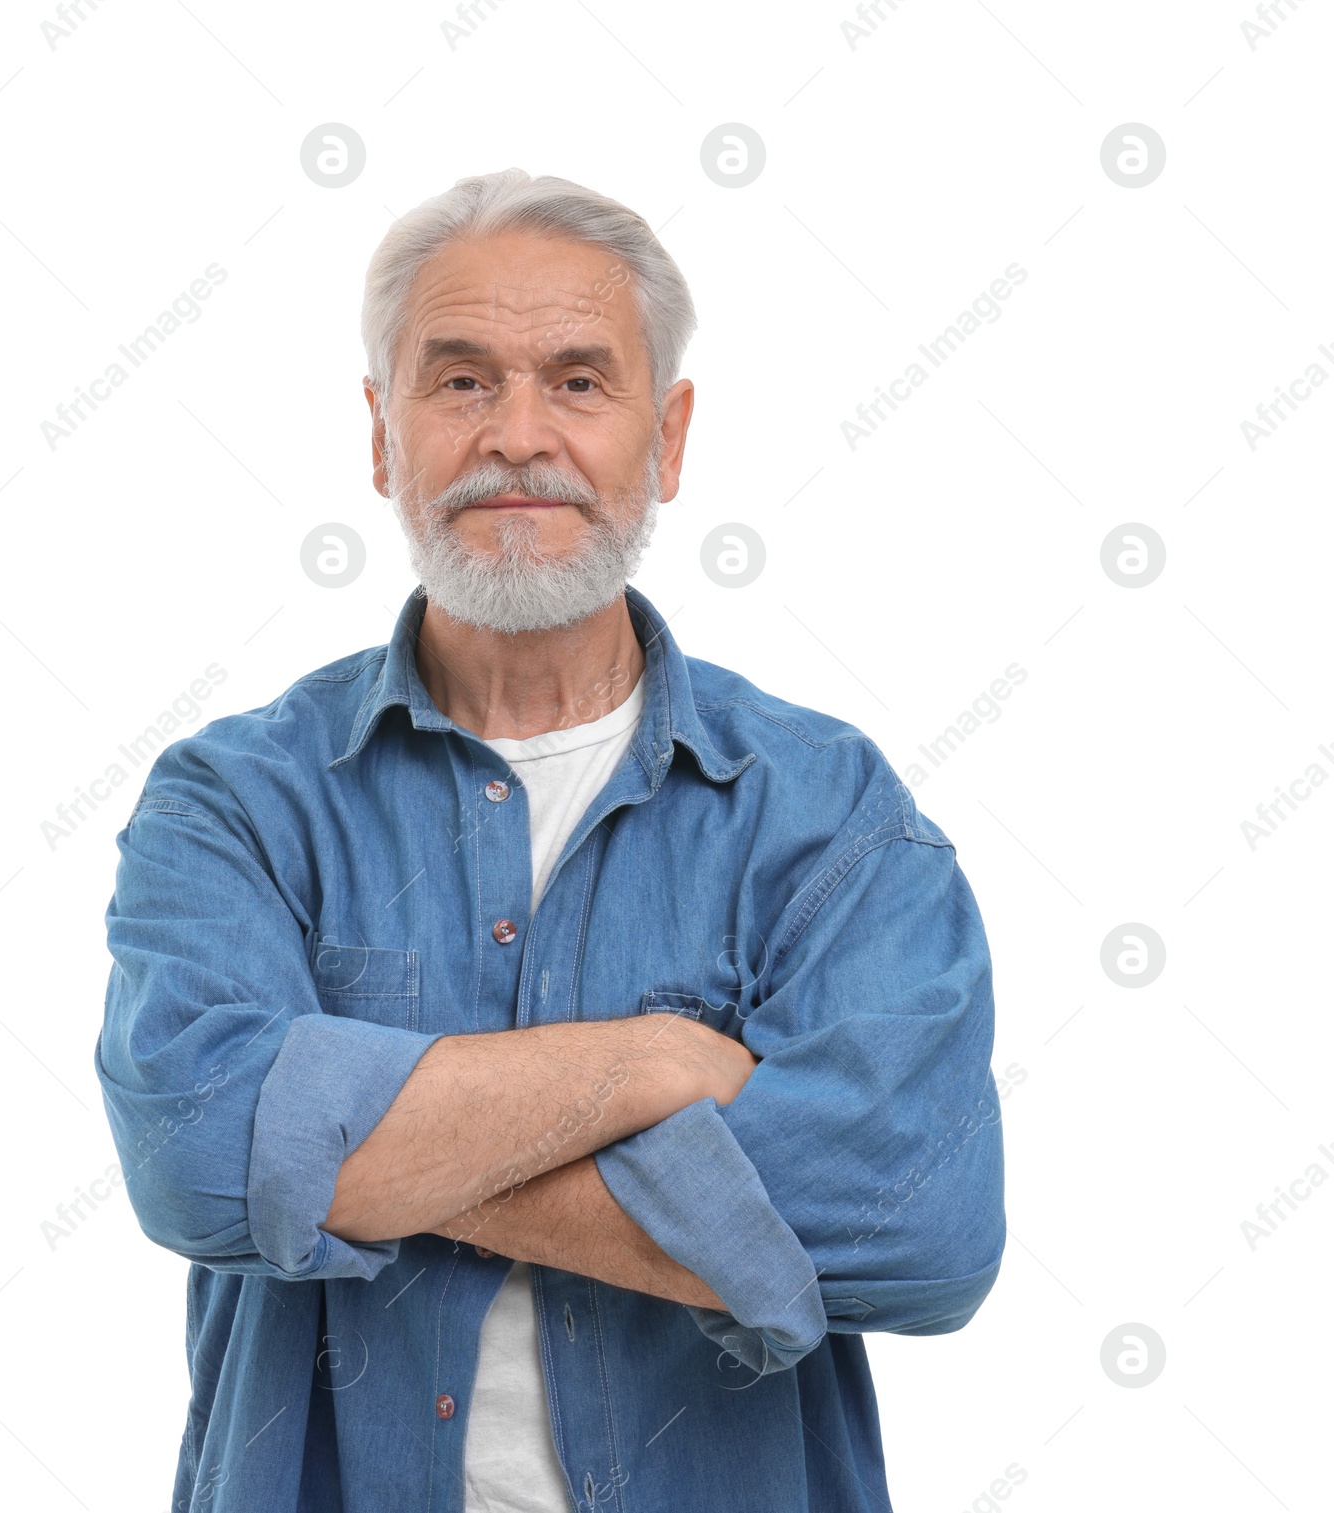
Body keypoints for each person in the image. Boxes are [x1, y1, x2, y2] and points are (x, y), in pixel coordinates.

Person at [95, 167, 1006, 1513]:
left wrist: (354, 1150)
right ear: (380, 434)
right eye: (461, 381)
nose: (518, 436)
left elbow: (918, 1223)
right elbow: (195, 1152)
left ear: (670, 436)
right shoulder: (232, 799)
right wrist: (652, 1066)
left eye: (578, 381)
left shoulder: (826, 815)